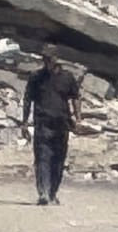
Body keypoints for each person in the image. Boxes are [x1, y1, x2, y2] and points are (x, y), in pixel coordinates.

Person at [25, 52, 84, 206]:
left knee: (58, 160)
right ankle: (43, 193)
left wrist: (78, 119)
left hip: (62, 124)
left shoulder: (67, 77)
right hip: (42, 123)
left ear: (56, 60)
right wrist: (24, 122)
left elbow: (75, 97)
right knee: (42, 158)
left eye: (50, 59)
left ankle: (53, 193)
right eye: (45, 59)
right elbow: (27, 99)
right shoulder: (36, 77)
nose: (47, 62)